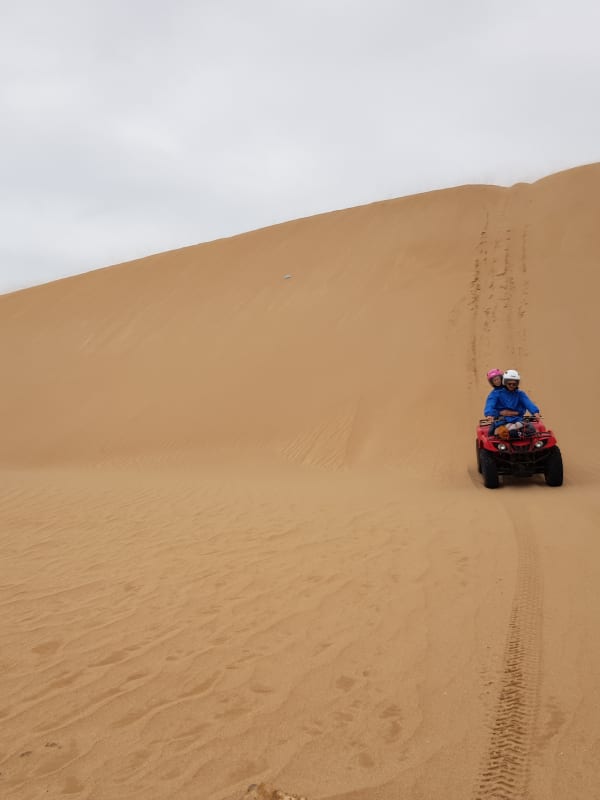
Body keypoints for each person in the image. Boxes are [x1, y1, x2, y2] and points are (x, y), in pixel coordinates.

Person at [485, 369, 541, 438]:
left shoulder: (520, 394)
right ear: (505, 382)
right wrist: (489, 414)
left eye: (514, 384)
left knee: (532, 429)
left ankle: (515, 432)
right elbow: (490, 404)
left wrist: (535, 412)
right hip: (502, 420)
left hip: (518, 419)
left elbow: (528, 403)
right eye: (509, 384)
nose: (511, 385)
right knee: (493, 435)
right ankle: (513, 432)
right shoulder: (496, 394)